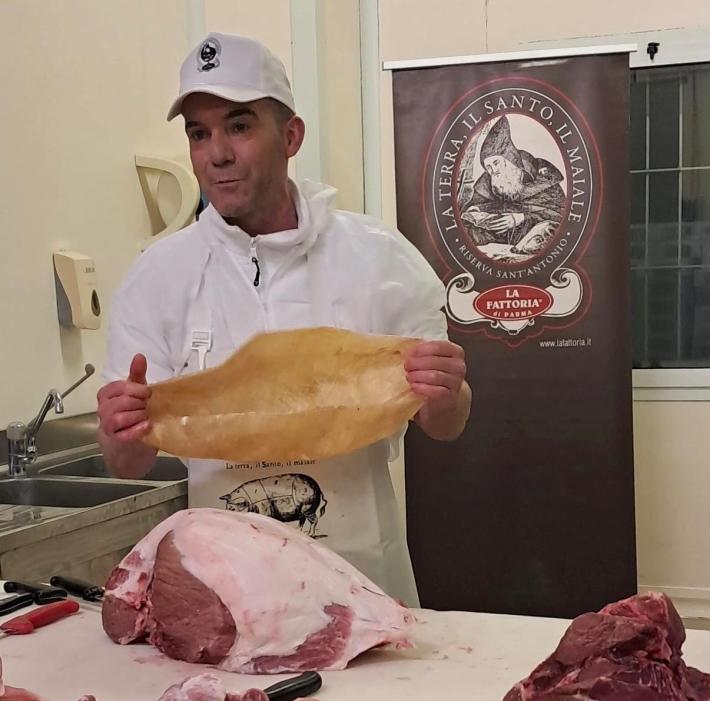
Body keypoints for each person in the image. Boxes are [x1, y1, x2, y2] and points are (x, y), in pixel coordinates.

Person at [98, 32, 471, 606]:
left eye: (239, 126)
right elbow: (129, 464)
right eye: (199, 133)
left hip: (362, 590)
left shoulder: (380, 259)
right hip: (226, 600)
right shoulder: (157, 277)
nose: (217, 153)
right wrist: (118, 428)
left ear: (291, 136)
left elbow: (445, 423)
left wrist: (447, 393)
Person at [460, 115, 565, 254]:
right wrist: (476, 211)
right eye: (488, 167)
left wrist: (521, 218)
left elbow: (559, 215)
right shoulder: (487, 181)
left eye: (496, 163)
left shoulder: (542, 176)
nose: (494, 171)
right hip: (499, 243)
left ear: (510, 159)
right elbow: (476, 209)